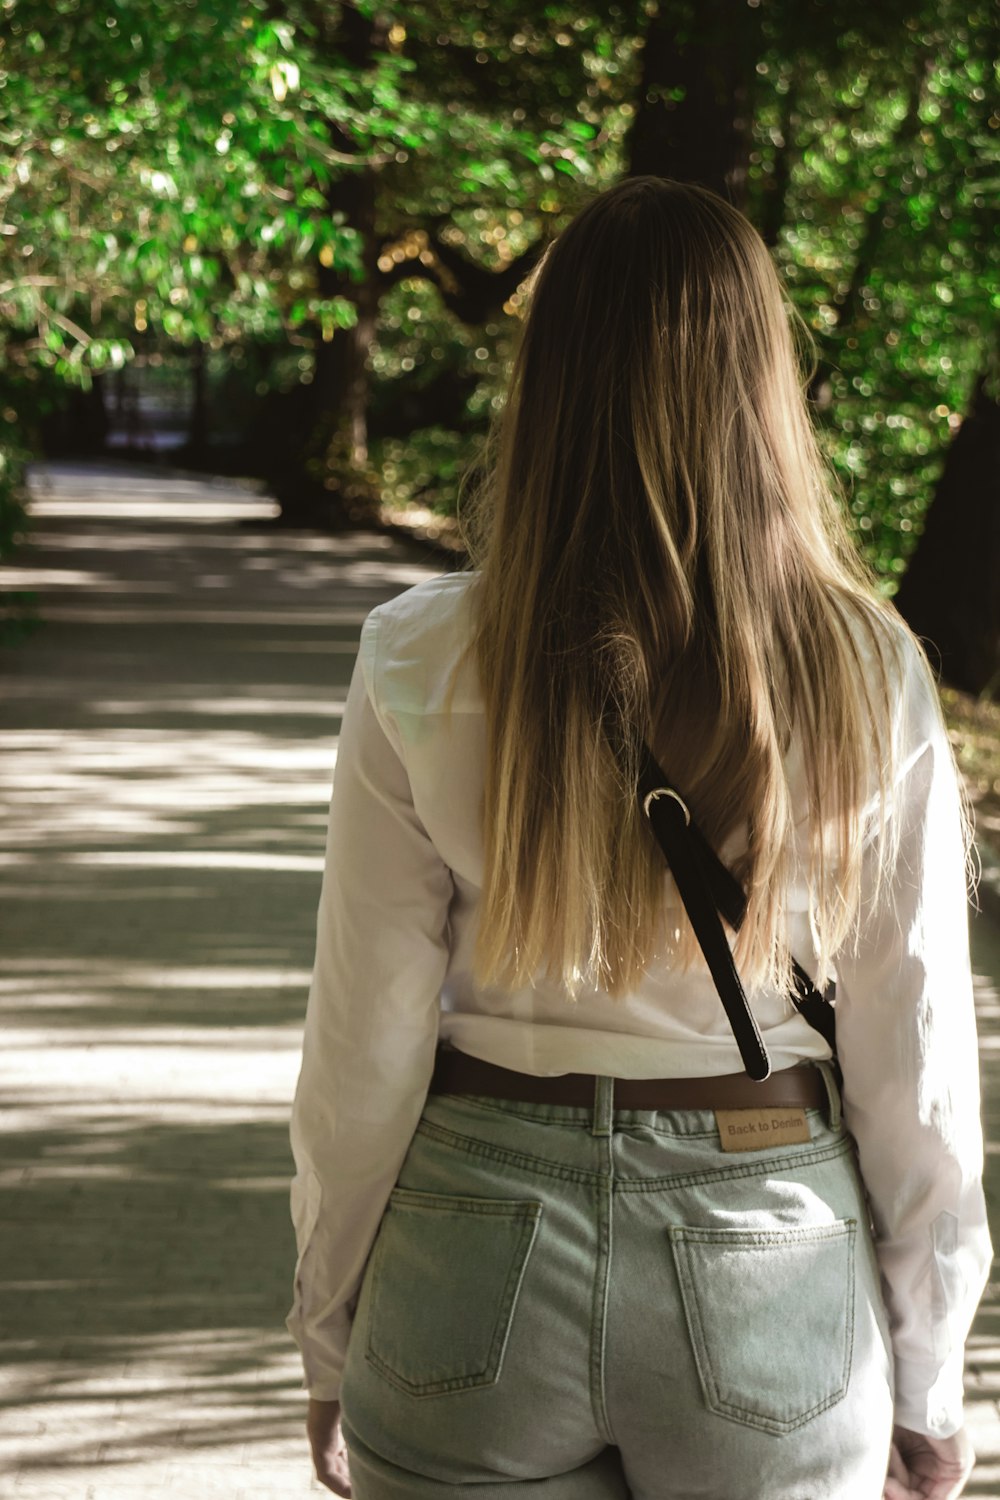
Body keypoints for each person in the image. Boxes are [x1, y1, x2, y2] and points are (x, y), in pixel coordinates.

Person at [286, 177, 992, 1500]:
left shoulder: (422, 657)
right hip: (769, 1256)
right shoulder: (865, 667)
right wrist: (932, 1371)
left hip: (470, 1253)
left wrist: (327, 1327)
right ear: (762, 383)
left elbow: (360, 1051)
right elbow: (918, 1061)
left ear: (548, 382)